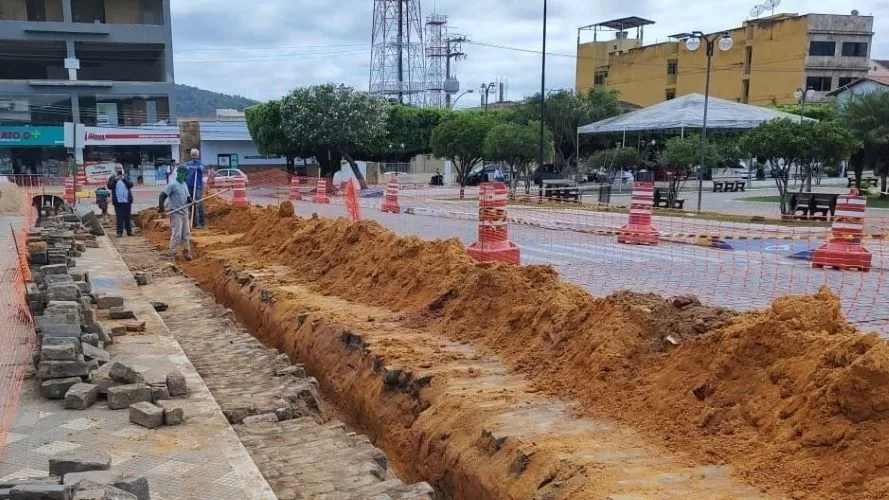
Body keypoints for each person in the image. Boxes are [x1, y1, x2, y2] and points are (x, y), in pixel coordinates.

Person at [158, 166, 194, 261]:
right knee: (177, 234)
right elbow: (162, 196)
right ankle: (172, 252)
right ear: (181, 174)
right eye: (185, 174)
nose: (186, 176)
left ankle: (186, 251)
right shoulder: (172, 184)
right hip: (176, 213)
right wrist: (162, 210)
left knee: (186, 233)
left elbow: (187, 197)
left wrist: (191, 201)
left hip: (184, 213)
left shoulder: (184, 184)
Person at [106, 164, 134, 237]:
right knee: (119, 217)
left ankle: (129, 231)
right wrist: (116, 180)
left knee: (128, 217)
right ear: (115, 170)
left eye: (120, 168)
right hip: (118, 202)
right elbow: (109, 186)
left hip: (127, 201)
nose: (119, 170)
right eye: (117, 168)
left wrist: (124, 179)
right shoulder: (112, 178)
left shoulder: (126, 176)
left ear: (122, 169)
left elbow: (131, 185)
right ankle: (119, 232)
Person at [185, 149, 205, 228]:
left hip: (198, 186)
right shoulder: (188, 163)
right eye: (192, 155)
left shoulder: (200, 163)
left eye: (195, 155)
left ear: (198, 155)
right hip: (189, 186)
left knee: (198, 203)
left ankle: (201, 222)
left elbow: (201, 168)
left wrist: (198, 168)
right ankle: (193, 222)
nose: (194, 156)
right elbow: (185, 170)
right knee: (190, 204)